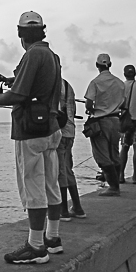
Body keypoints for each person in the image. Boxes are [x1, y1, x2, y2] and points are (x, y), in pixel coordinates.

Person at [0, 11, 63, 264]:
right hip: (51, 129)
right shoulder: (51, 55)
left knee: (33, 188)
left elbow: (17, 96)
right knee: (52, 184)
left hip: (31, 132)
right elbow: (35, 85)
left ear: (19, 33)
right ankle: (53, 238)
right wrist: (14, 80)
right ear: (43, 30)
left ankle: (36, 246)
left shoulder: (33, 54)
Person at [84, 53, 125, 196]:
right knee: (114, 153)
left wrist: (91, 109)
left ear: (97, 65)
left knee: (102, 156)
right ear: (110, 64)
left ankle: (113, 188)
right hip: (116, 121)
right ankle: (116, 185)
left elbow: (89, 103)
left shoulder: (95, 82)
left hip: (101, 121)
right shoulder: (120, 83)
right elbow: (123, 102)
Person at [57, 79, 86, 220]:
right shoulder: (68, 86)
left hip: (59, 132)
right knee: (68, 169)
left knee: (60, 171)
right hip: (71, 130)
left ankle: (63, 210)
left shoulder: (52, 84)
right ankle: (77, 207)